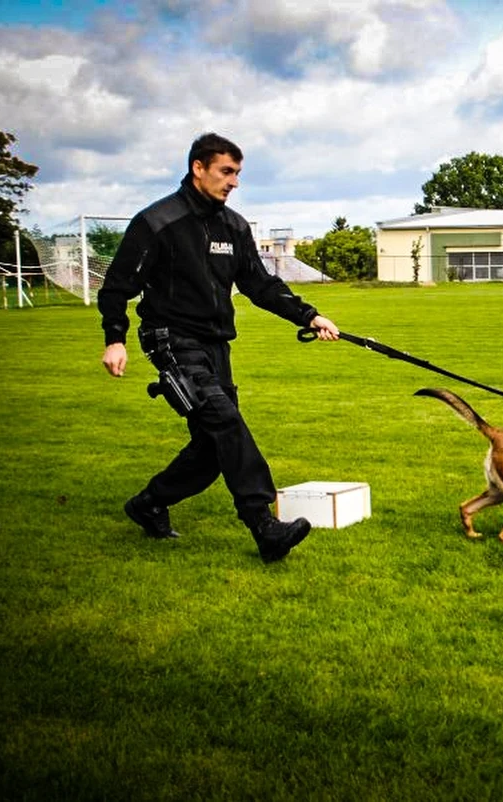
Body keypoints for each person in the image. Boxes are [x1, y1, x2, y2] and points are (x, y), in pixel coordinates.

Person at [98, 132, 339, 563]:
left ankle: (149, 503)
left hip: (216, 347)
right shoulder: (157, 222)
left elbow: (259, 284)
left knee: (212, 448)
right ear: (198, 168)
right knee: (225, 421)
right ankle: (263, 525)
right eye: (227, 171)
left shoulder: (234, 226)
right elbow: (117, 285)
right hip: (170, 340)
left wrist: (308, 315)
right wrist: (114, 338)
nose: (234, 182)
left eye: (238, 173)